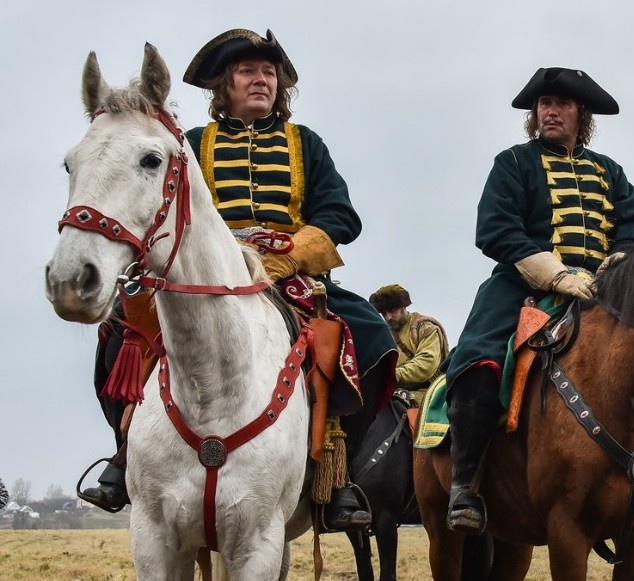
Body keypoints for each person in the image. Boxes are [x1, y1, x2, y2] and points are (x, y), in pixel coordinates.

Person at [80, 29, 398, 534]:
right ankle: (125, 456)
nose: (261, 80)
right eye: (248, 72)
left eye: (269, 73)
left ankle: (336, 477)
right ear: (223, 85)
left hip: (285, 273)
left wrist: (292, 254)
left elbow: (341, 215)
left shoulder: (304, 143)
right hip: (204, 274)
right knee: (120, 335)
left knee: (366, 337)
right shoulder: (193, 144)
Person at [441, 67, 634, 535]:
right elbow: (495, 229)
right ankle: (464, 487)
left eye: (563, 104)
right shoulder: (513, 162)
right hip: (523, 287)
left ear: (582, 113)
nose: (551, 111)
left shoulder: (609, 171)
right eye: (545, 104)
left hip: (602, 292)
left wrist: (616, 265)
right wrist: (555, 274)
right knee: (477, 362)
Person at [369, 284, 449, 405]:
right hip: (393, 389)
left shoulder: (424, 327)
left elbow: (426, 364)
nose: (388, 317)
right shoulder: (383, 335)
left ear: (403, 307)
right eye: (384, 313)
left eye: (392, 311)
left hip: (429, 393)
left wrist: (393, 375)